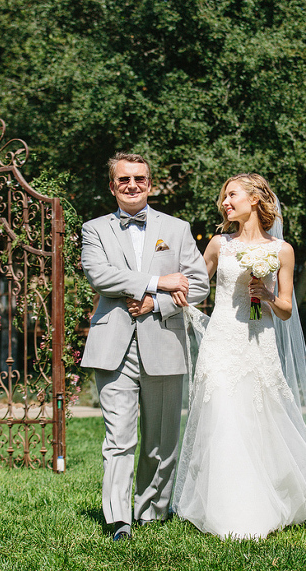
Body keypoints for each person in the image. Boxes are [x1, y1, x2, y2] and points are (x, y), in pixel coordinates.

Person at [172, 173, 306, 539]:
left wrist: (265, 295)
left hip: (259, 341)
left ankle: (268, 500)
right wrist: (174, 290)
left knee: (258, 418)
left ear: (254, 199)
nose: (224, 202)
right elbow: (197, 282)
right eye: (223, 197)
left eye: (231, 195)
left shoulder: (281, 250)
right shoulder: (219, 244)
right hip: (222, 340)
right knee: (221, 414)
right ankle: (225, 509)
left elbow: (286, 309)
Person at [79, 153, 209, 541]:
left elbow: (198, 284)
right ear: (112, 186)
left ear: (150, 184)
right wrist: (158, 282)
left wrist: (158, 302)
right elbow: (100, 275)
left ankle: (152, 509)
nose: (132, 185)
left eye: (140, 179)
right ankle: (119, 519)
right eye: (124, 180)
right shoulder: (94, 229)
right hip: (112, 343)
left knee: (161, 439)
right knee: (119, 437)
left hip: (165, 339)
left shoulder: (178, 228)